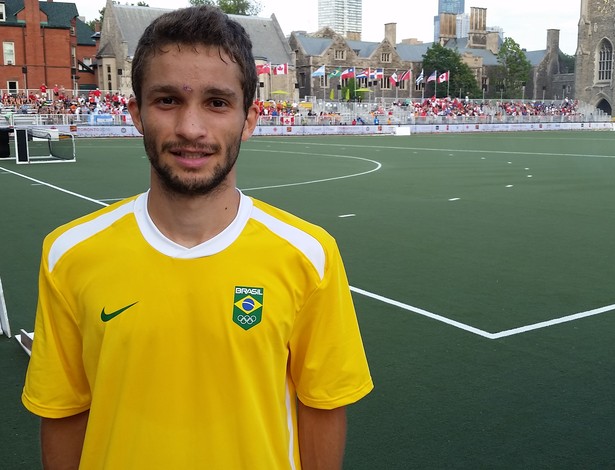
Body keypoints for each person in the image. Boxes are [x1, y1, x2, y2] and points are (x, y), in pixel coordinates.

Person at [22, 6, 373, 470]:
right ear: (137, 114)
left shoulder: (310, 253)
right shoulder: (68, 253)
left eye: (217, 102)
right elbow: (64, 411)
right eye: (167, 100)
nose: (191, 128)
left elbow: (323, 405)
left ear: (249, 118)